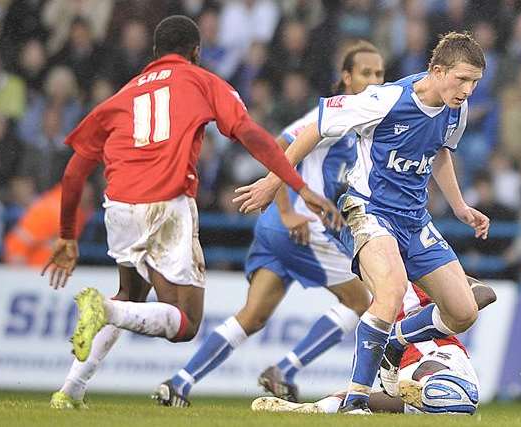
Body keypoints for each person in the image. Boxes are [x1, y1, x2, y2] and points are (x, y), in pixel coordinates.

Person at [44, 15, 341, 409]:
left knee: (131, 293)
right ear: (196, 52)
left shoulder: (122, 95)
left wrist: (67, 235)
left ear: (154, 52)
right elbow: (250, 132)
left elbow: (74, 171)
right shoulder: (203, 81)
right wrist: (299, 185)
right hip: (165, 204)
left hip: (118, 206)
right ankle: (105, 310)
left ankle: (71, 390)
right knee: (185, 323)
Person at [234, 32, 490, 414]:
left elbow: (440, 154)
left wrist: (459, 206)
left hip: (414, 219)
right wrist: (273, 182)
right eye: (462, 79)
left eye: (474, 82)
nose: (468, 90)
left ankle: (397, 342)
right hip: (370, 211)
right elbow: (316, 127)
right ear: (436, 71)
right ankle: (356, 400)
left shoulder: (456, 109)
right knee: (389, 293)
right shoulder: (385, 99)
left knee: (464, 311)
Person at [151, 41, 384, 407]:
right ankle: (286, 370)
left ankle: (179, 382)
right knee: (366, 300)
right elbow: (278, 145)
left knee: (253, 316)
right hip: (301, 227)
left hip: (277, 229)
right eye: (365, 73)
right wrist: (290, 210)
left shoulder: (362, 121)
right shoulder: (341, 113)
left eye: (379, 74)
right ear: (346, 77)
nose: (373, 80)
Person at [251, 277, 496, 415]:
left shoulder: (429, 271)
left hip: (438, 353)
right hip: (400, 374)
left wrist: (420, 323)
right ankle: (311, 410)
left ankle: (440, 394)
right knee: (348, 401)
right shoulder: (367, 286)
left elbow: (485, 294)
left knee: (429, 380)